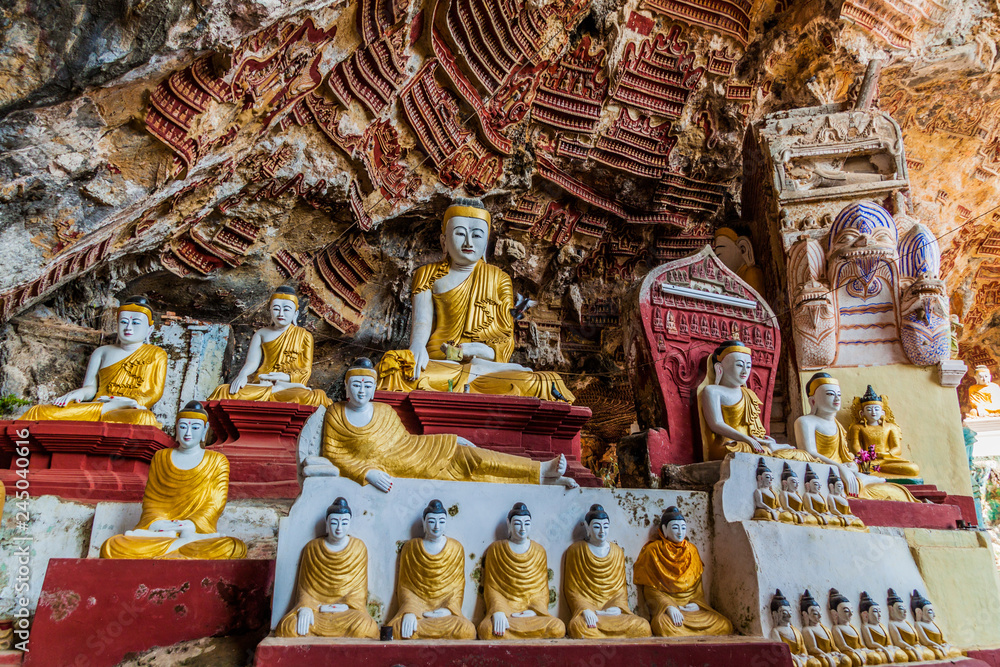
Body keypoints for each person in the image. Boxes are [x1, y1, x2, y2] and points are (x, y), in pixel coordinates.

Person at [376, 198, 575, 403]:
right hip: (441, 364)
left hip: (485, 366)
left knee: (544, 383)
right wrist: (417, 347)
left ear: (486, 242)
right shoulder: (427, 274)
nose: (469, 242)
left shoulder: (500, 279)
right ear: (444, 241)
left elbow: (503, 338)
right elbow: (422, 322)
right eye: (460, 234)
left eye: (477, 235)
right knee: (392, 369)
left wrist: (476, 350)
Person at [316, 358, 577, 491]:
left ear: (374, 390)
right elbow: (333, 455)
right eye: (356, 385)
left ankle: (541, 470)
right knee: (472, 474)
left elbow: (406, 442)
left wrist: (447, 439)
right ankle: (539, 477)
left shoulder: (384, 411)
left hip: (419, 454)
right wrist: (367, 473)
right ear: (346, 389)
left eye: (367, 385)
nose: (362, 391)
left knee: (470, 455)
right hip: (398, 469)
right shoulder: (336, 414)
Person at [99, 401, 246, 559]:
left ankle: (179, 543)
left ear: (205, 429)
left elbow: (215, 503)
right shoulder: (161, 457)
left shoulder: (217, 460)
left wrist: (191, 524)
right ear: (176, 428)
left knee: (233, 548)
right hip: (163, 529)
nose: (188, 433)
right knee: (112, 546)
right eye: (183, 427)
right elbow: (152, 500)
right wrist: (157, 523)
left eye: (195, 428)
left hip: (194, 530)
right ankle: (178, 545)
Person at [21, 296, 167, 427]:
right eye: (123, 322)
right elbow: (90, 389)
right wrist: (77, 394)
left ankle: (116, 406)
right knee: (38, 412)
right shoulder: (102, 351)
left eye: (135, 322)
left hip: (127, 410)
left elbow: (153, 393)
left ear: (149, 330)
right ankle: (110, 407)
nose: (128, 327)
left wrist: (131, 402)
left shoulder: (157, 354)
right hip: (97, 407)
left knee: (143, 418)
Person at [275, 497, 379, 638]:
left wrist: (346, 606)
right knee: (289, 627)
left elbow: (358, 592)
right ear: (327, 523)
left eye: (344, 523)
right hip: (316, 611)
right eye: (334, 523)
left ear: (350, 524)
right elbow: (306, 589)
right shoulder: (312, 548)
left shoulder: (358, 548)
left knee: (366, 627)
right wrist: (305, 608)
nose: (339, 528)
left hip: (347, 613)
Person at [209, 286, 329, 407]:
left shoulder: (304, 336)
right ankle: (271, 392)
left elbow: (306, 370)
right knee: (223, 391)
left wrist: (285, 377)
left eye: (286, 309)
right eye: (276, 309)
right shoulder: (261, 333)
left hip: (287, 386)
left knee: (314, 397)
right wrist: (242, 375)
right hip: (263, 382)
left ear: (295, 313)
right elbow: (252, 363)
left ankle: (274, 391)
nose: (281, 313)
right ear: (270, 310)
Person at [699, 340, 813, 461]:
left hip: (753, 444)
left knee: (802, 454)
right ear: (719, 367)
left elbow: (755, 430)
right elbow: (716, 424)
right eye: (739, 365)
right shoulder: (712, 391)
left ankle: (770, 447)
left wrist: (764, 440)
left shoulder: (749, 394)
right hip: (731, 445)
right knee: (746, 450)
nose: (744, 371)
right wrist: (747, 439)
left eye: (748, 366)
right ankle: (769, 449)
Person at [633, 506, 733, 637]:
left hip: (690, 610)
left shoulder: (692, 550)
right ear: (664, 530)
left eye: (683, 528)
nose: (680, 532)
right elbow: (650, 589)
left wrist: (697, 604)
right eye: (675, 528)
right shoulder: (653, 550)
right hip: (668, 610)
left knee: (724, 624)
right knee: (662, 625)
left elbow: (697, 590)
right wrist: (669, 607)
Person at [388, 500, 476, 640]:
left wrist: (448, 610)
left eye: (441, 521)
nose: (436, 527)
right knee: (396, 629)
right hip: (418, 614)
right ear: (423, 522)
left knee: (466, 630)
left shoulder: (455, 547)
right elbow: (405, 586)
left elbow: (457, 587)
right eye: (431, 521)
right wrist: (410, 612)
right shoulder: (411, 547)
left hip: (445, 615)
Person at [478, 503, 565, 639]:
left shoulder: (539, 551)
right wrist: (498, 611)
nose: (523, 528)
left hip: (532, 613)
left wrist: (535, 611)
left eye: (527, 523)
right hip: (506, 612)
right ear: (509, 524)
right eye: (518, 523)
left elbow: (541, 590)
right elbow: (492, 587)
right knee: (487, 630)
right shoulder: (496, 549)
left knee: (557, 627)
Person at [563, 504, 652, 639]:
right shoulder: (576, 550)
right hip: (590, 613)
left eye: (605, 526)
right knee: (578, 627)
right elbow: (572, 590)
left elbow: (620, 590)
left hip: (613, 612)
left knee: (642, 626)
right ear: (588, 528)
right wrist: (585, 610)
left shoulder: (617, 552)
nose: (602, 531)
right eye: (597, 527)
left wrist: (618, 607)